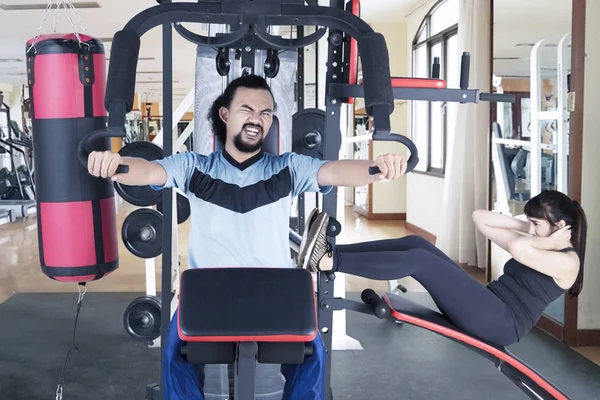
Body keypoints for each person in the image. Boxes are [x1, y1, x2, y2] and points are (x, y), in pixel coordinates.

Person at [86, 74, 409, 400]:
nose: (257, 118)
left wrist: (376, 169)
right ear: (225, 114)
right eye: (247, 109)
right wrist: (117, 164)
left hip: (276, 291)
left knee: (314, 357)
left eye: (266, 112)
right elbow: (151, 170)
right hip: (207, 292)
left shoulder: (290, 168)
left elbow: (334, 171)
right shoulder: (194, 167)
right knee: (173, 357)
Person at [300, 190, 587, 347]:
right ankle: (330, 251)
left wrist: (540, 240)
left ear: (560, 227)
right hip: (487, 302)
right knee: (417, 243)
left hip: (501, 322)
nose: (532, 230)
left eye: (537, 224)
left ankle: (328, 261)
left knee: (420, 262)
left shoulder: (567, 262)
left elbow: (518, 249)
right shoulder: (537, 241)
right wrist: (526, 225)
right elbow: (480, 219)